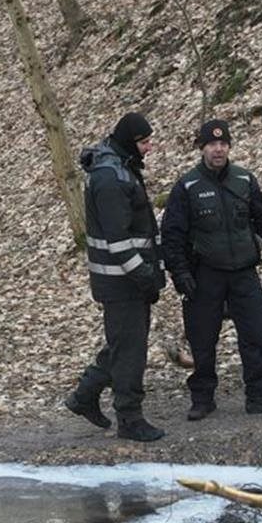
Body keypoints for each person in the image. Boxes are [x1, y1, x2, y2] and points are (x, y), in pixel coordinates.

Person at [160, 119, 262, 420]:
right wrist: (181, 275)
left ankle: (259, 394)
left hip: (244, 272)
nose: (218, 149)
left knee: (254, 335)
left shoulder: (244, 180)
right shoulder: (187, 186)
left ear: (229, 147)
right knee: (202, 340)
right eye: (212, 144)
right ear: (202, 148)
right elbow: (172, 236)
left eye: (223, 144)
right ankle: (202, 398)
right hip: (204, 276)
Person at [64, 112, 167, 442]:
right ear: (129, 142)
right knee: (131, 350)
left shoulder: (119, 167)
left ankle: (85, 395)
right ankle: (130, 418)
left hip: (124, 278)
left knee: (124, 343)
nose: (149, 148)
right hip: (122, 280)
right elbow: (118, 238)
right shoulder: (111, 177)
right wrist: (144, 275)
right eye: (145, 142)